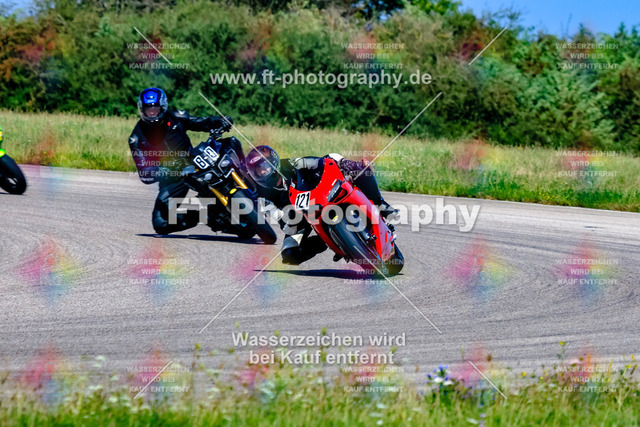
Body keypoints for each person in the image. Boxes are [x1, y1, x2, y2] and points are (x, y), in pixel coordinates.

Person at [246, 146, 397, 265]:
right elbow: (282, 223)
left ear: (273, 160)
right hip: (299, 219)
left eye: (264, 165)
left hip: (319, 196)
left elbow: (321, 161)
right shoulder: (263, 197)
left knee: (358, 167)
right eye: (258, 171)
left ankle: (380, 204)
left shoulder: (291, 164)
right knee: (289, 255)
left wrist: (343, 163)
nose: (263, 171)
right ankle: (325, 241)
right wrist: (290, 217)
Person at [128, 87, 245, 235]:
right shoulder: (136, 138)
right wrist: (163, 169)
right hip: (172, 175)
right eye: (148, 110)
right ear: (142, 110)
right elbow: (144, 173)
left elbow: (201, 122)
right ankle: (207, 216)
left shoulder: (176, 116)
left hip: (193, 160)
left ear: (162, 107)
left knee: (230, 143)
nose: (152, 113)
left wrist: (220, 121)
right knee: (160, 223)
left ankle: (248, 177)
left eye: (155, 109)